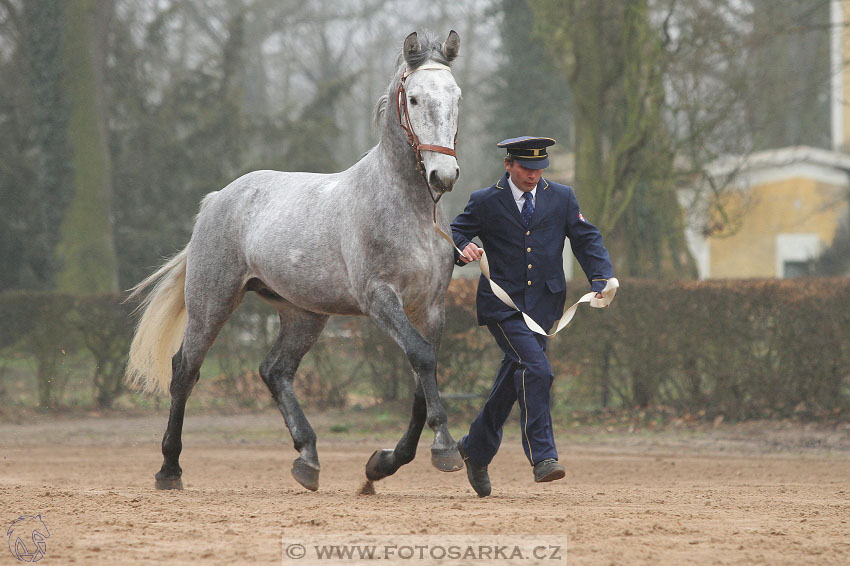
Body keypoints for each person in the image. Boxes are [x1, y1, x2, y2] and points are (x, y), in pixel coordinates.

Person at [451, 136, 614, 497]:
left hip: (545, 307)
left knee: (515, 377)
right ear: (508, 165)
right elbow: (456, 231)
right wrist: (462, 247)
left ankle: (475, 449)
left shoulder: (562, 198)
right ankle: (543, 456)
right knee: (538, 370)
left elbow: (586, 239)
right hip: (502, 306)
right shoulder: (484, 200)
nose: (533, 176)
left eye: (539, 169)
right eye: (526, 168)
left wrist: (601, 276)